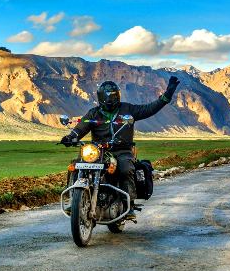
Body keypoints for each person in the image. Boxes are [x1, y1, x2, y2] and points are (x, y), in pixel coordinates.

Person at [60, 76, 180, 219]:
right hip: (98, 152)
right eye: (108, 96)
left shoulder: (128, 109)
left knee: (125, 169)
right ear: (101, 97)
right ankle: (74, 200)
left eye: (114, 95)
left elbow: (150, 109)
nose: (112, 98)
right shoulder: (94, 113)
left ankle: (128, 203)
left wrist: (167, 95)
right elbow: (81, 127)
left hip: (121, 150)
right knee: (76, 165)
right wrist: (71, 137)